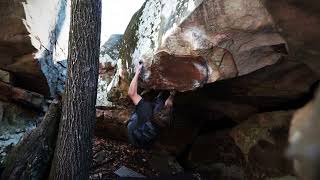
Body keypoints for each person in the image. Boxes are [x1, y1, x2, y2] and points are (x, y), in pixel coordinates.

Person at [127, 63, 175, 148]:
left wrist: (137, 72)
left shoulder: (146, 109)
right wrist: (172, 95)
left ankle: (138, 143)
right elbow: (168, 105)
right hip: (148, 139)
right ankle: (145, 146)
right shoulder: (166, 122)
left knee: (136, 117)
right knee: (161, 100)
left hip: (134, 132)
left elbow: (131, 93)